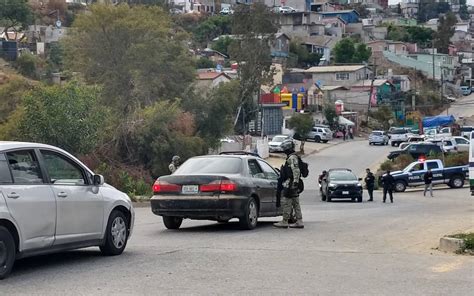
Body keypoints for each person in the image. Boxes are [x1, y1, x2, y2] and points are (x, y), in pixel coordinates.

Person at [274, 140, 304, 229]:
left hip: (290, 183)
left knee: (287, 202)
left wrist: (295, 182)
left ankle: (285, 221)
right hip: (293, 183)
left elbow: (296, 170)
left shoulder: (292, 158)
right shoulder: (293, 157)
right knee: (295, 203)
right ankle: (299, 220)